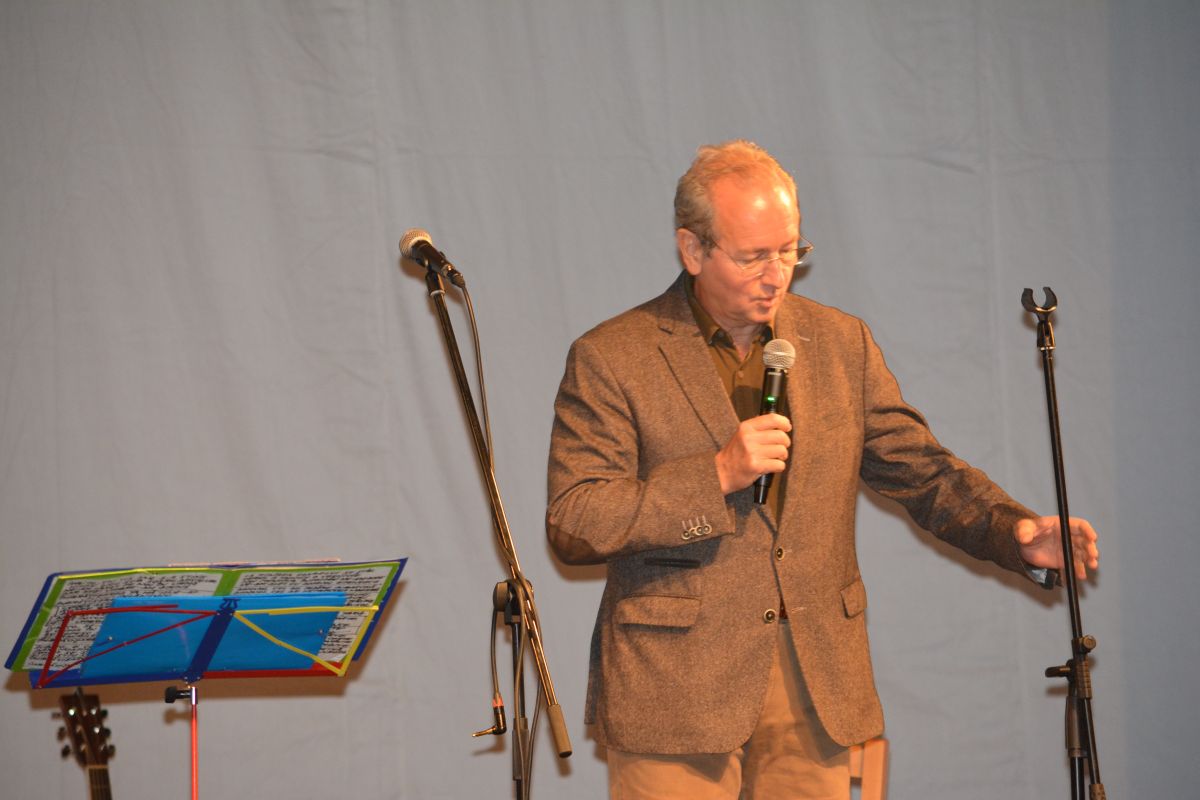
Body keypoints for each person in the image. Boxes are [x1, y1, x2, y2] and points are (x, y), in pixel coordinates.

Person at [545, 140, 1099, 799]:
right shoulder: (614, 356)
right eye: (753, 256)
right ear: (692, 250)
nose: (775, 274)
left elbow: (925, 473)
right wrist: (714, 476)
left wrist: (1015, 532)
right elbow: (577, 520)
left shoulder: (839, 343)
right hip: (676, 688)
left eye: (789, 251)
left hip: (814, 680)